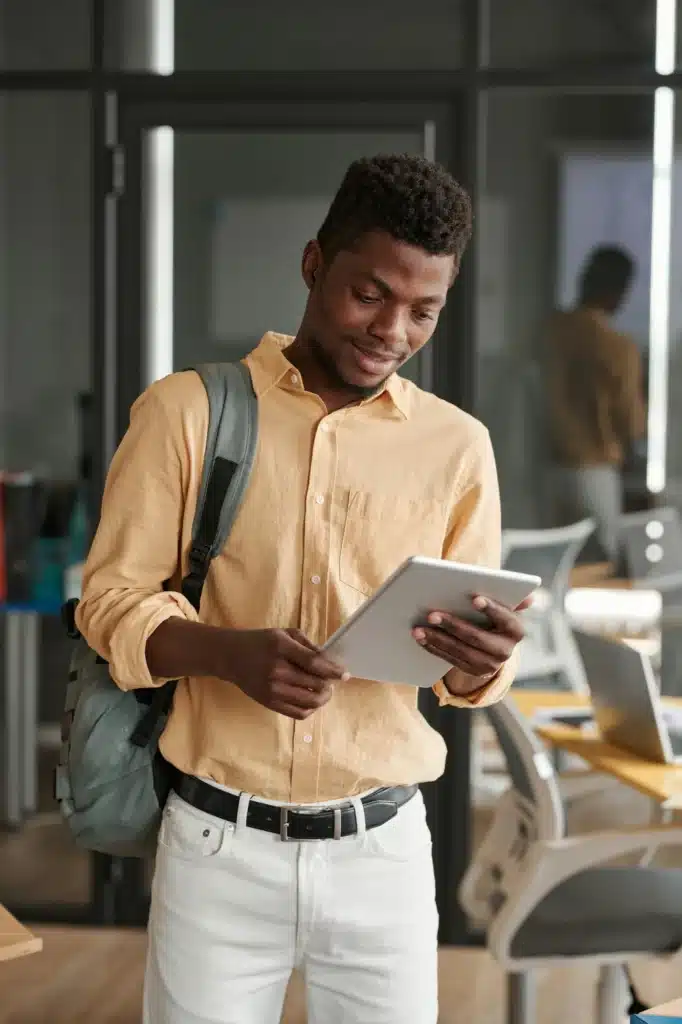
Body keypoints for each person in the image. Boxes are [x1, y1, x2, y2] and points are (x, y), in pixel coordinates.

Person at [76, 154, 527, 1024]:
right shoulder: (186, 413)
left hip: (384, 853)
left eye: (423, 311)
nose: (392, 330)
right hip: (216, 847)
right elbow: (110, 602)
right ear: (314, 263)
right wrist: (223, 653)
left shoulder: (458, 447)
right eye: (370, 295)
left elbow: (467, 680)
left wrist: (482, 661)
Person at [546, 245, 646, 560]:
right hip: (593, 471)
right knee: (600, 564)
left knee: (546, 564)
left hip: (540, 470)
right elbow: (631, 421)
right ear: (620, 291)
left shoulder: (548, 332)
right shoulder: (617, 347)